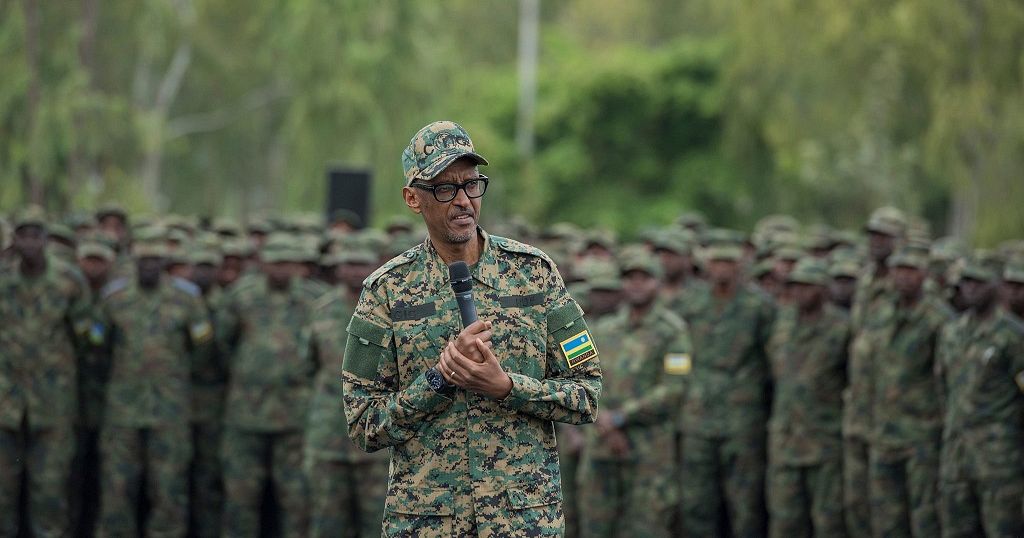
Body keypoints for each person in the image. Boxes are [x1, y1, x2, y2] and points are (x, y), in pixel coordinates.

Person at [342, 120, 602, 536]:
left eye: (472, 185)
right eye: (445, 189)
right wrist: (439, 380)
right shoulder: (386, 291)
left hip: (523, 520)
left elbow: (587, 394)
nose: (463, 201)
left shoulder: (534, 274)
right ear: (413, 198)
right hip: (428, 523)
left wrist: (507, 387)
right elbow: (364, 424)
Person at [96, 238, 213, 537]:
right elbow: (97, 345)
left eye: (154, 260)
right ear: (134, 263)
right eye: (143, 260)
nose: (148, 266)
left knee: (168, 487)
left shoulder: (187, 298)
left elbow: (201, 347)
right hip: (123, 408)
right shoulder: (115, 297)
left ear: (164, 263)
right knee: (117, 487)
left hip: (169, 409)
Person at [577, 247, 691, 537]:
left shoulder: (673, 331)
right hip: (601, 445)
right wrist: (605, 422)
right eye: (630, 277)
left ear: (658, 282)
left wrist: (621, 418)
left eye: (644, 277)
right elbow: (578, 378)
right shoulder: (602, 329)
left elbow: (674, 388)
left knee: (646, 526)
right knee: (595, 525)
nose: (637, 284)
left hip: (648, 450)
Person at [217, 234, 321, 537]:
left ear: (298, 266)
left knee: (296, 498)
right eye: (275, 262)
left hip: (295, 414)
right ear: (263, 263)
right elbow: (223, 343)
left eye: (287, 263)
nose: (281, 269)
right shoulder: (241, 296)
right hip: (245, 414)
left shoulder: (314, 299)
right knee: (239, 498)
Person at [0, 206, 90, 538]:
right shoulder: (3, 281)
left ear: (46, 240)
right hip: (6, 403)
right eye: (22, 236)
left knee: (49, 491)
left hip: (53, 404)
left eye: (35, 236)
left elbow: (86, 337)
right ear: (14, 240)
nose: (29, 243)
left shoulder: (69, 282)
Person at [679, 243, 776, 537]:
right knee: (697, 501)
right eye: (716, 262)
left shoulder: (759, 306)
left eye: (729, 263)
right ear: (707, 266)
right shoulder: (691, 304)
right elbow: (678, 352)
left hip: (742, 419)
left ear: (740, 266)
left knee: (745, 503)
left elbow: (772, 360)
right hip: (697, 416)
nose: (722, 269)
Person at [305, 247, 389, 538]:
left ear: (378, 263)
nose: (355, 270)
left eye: (362, 262)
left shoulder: (391, 306)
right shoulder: (321, 309)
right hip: (328, 435)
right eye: (350, 263)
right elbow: (309, 363)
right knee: (327, 523)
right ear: (338, 268)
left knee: (378, 524)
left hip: (377, 437)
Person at [936, 259, 1024, 537]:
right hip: (956, 459)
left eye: (978, 282)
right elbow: (944, 390)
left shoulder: (1012, 336)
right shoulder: (951, 333)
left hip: (997, 462)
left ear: (996, 286)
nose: (970, 289)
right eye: (966, 282)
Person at [867, 249, 952, 537]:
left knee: (924, 518)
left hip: (921, 437)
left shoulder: (938, 320)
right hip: (884, 433)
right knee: (886, 519)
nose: (902, 275)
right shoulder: (882, 312)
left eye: (910, 269)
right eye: (898, 269)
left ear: (924, 274)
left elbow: (948, 379)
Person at [765, 258, 849, 538]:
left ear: (823, 289)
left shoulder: (841, 327)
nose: (801, 293)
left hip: (823, 440)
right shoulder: (782, 323)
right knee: (785, 520)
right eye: (796, 286)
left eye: (808, 287)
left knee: (827, 521)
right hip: (785, 439)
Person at [844, 206, 906, 536]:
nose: (876, 242)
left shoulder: (907, 287)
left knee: (889, 510)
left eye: (885, 236)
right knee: (856, 502)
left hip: (894, 414)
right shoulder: (864, 282)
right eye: (873, 235)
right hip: (858, 408)